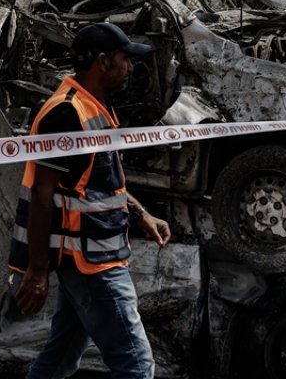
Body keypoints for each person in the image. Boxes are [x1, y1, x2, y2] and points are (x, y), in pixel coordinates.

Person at [10, 22, 171, 379]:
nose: (130, 68)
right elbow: (42, 191)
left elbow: (96, 180)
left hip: (91, 256)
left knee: (61, 356)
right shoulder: (65, 113)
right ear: (103, 62)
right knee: (136, 366)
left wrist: (140, 214)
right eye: (125, 60)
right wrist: (37, 271)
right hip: (90, 263)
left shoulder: (93, 107)